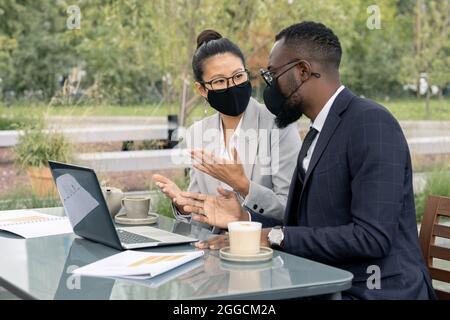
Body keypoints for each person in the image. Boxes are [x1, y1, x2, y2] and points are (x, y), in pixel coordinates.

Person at [176, 22, 436, 300]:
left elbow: (372, 238)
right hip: (321, 282)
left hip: (375, 291)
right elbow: (301, 227)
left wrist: (273, 237)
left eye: (273, 75)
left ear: (301, 71)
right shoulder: (317, 133)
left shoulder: (370, 122)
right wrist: (244, 219)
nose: (269, 87)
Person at [153, 29, 300, 230]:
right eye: (220, 81)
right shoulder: (197, 133)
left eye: (238, 76)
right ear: (202, 89)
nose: (232, 86)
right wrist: (185, 207)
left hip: (264, 249)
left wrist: (244, 186)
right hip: (213, 251)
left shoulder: (279, 125)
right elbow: (202, 215)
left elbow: (292, 209)